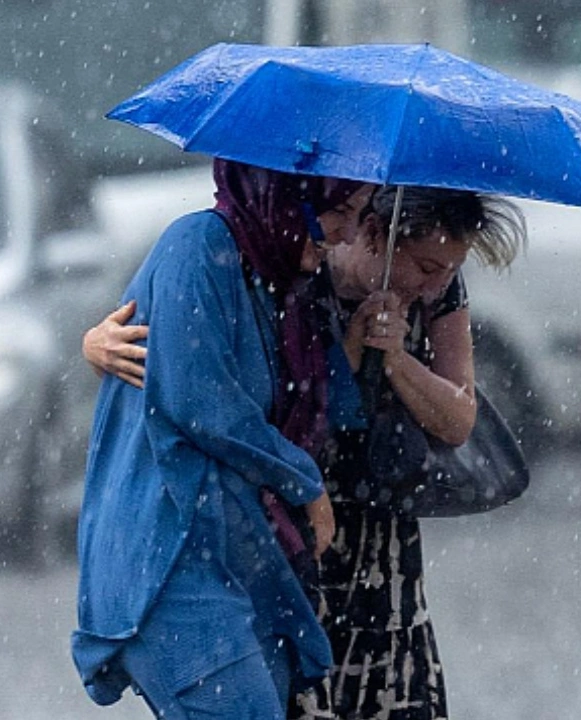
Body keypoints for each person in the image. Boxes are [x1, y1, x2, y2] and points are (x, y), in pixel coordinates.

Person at [83, 184, 526, 720]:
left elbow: (459, 419)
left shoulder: (433, 295)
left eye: (449, 272)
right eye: (427, 267)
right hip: (287, 522)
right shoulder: (290, 261)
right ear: (374, 235)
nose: (435, 287)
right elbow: (205, 375)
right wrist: (96, 344)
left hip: (372, 525)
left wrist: (395, 360)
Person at [72, 157, 376, 719]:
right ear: (291, 197)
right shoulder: (197, 247)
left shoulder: (281, 280)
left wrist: (372, 340)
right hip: (169, 560)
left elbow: (321, 404)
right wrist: (303, 483)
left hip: (240, 559)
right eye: (342, 211)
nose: (350, 234)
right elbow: (201, 401)